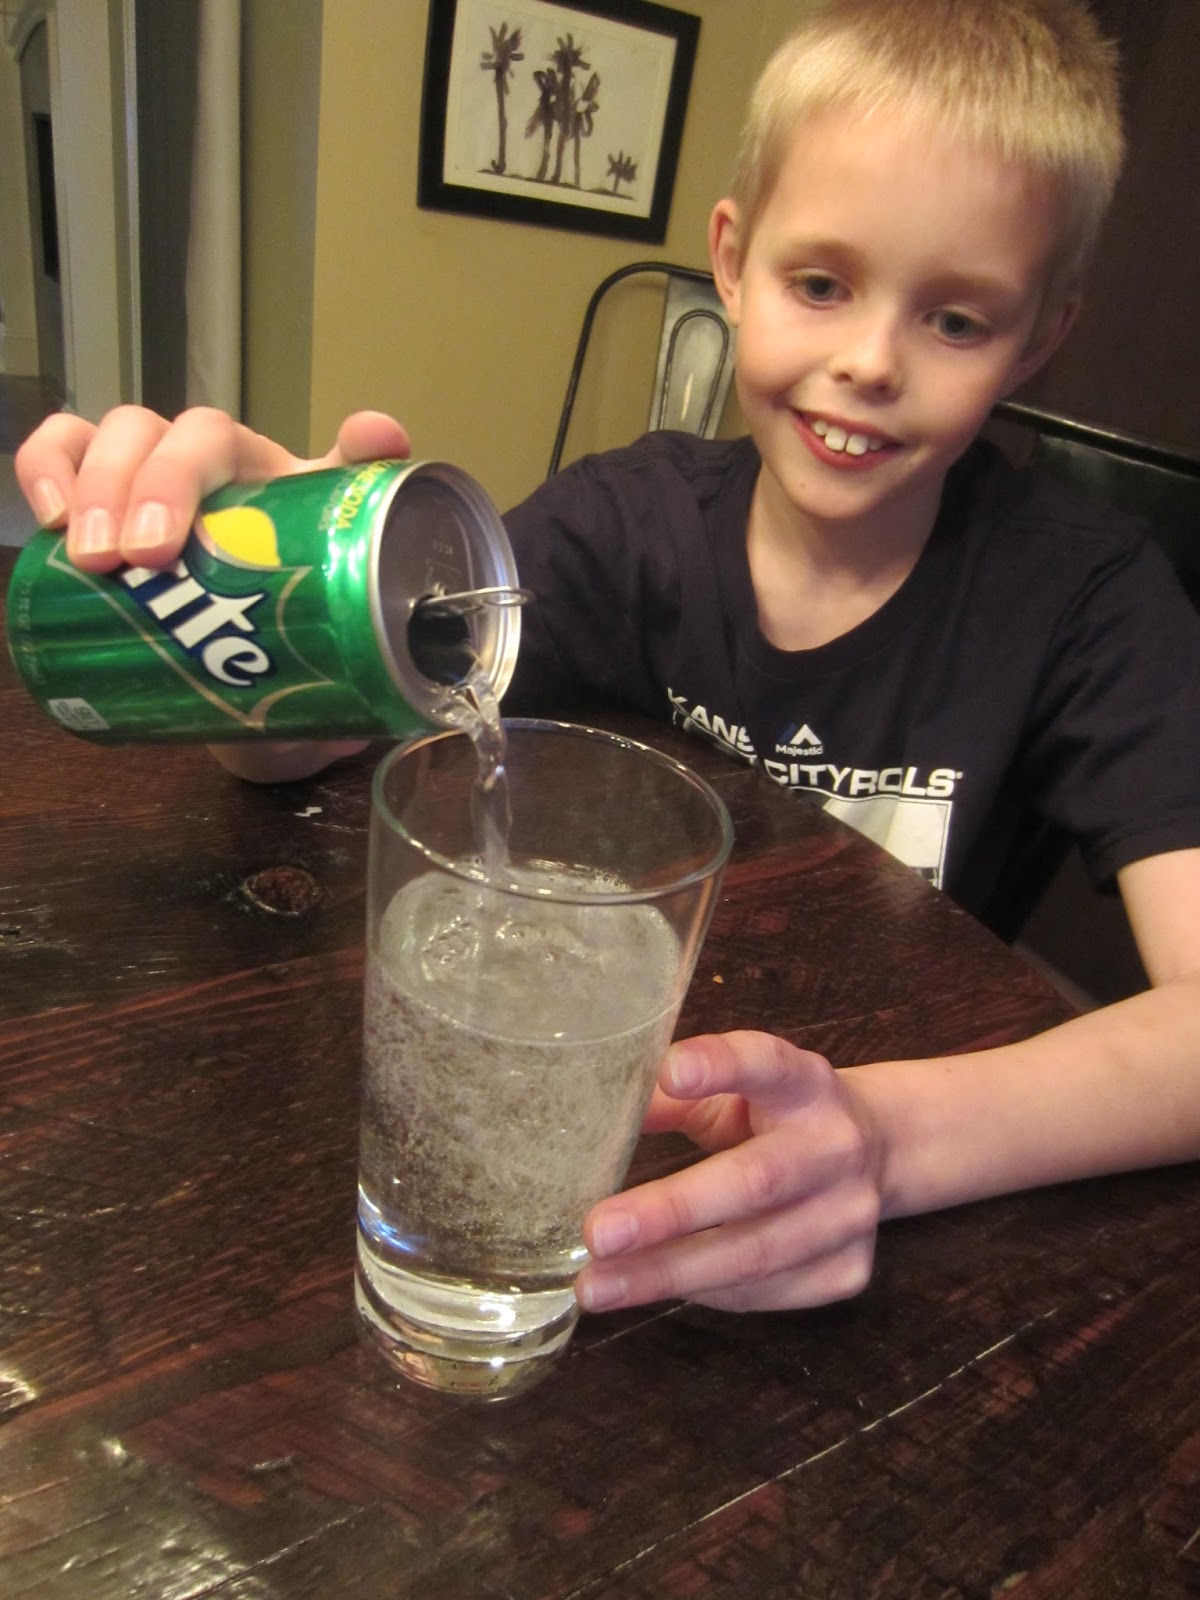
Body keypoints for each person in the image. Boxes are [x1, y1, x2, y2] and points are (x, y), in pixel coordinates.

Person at [15, 0, 1200, 1316]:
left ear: (1038, 338)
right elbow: (311, 751)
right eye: (822, 284)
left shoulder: (1090, 600)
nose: (869, 362)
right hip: (569, 1168)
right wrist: (279, 614)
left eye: (957, 321)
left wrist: (882, 1136)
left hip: (888, 1209)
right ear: (734, 264)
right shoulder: (622, 526)